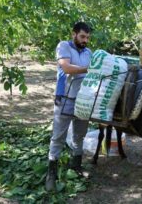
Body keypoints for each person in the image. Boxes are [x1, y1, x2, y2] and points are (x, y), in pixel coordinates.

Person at [45, 22, 92, 192]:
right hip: (65, 98)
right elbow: (65, 67)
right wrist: (89, 69)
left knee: (79, 136)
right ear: (74, 34)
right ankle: (51, 174)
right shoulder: (64, 46)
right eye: (82, 36)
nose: (85, 40)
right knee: (58, 136)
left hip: (83, 101)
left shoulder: (89, 53)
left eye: (87, 37)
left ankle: (76, 166)